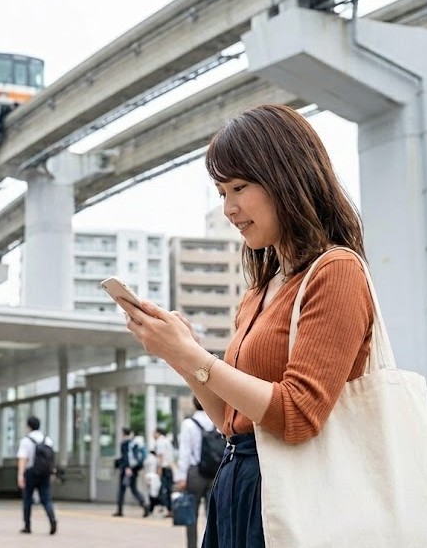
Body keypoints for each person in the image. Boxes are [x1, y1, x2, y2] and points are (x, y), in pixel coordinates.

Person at [119, 104, 378, 548]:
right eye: (222, 193)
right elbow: (229, 419)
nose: (229, 208)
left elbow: (297, 415)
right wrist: (181, 355)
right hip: (239, 483)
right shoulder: (260, 290)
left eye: (239, 187)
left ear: (287, 176)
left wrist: (192, 356)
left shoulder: (337, 270)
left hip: (292, 492)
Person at [176, 397, 218, 548]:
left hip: (195, 474)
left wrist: (181, 477)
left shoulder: (188, 424)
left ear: (194, 405)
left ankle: (192, 545)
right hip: (214, 472)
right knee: (212, 515)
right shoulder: (216, 421)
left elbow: (184, 452)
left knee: (191, 514)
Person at [16, 416, 57, 535]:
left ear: (28, 426)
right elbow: (51, 458)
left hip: (31, 472)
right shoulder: (47, 440)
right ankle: (52, 518)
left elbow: (23, 459)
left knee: (27, 499)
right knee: (46, 498)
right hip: (45, 473)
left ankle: (27, 526)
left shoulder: (26, 441)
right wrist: (52, 471)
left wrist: (20, 475)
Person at [113, 427, 148, 517]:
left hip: (127, 470)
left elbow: (125, 457)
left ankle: (119, 510)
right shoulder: (133, 443)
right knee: (134, 489)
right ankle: (144, 504)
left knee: (122, 490)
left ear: (123, 434)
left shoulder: (125, 444)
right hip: (134, 469)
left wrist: (127, 467)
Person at [153, 427, 175, 516]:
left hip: (164, 468)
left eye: (154, 433)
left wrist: (159, 470)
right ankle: (170, 509)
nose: (153, 435)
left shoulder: (160, 441)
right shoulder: (167, 440)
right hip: (169, 468)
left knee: (163, 489)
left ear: (158, 433)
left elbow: (160, 456)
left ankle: (166, 508)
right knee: (169, 489)